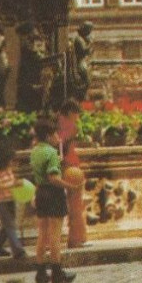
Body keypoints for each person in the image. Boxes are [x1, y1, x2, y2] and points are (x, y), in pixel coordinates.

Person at [29, 117, 74, 283]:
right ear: (48, 136)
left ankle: (40, 273)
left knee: (42, 235)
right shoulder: (51, 153)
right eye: (55, 133)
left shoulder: (35, 151)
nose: (58, 137)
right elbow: (53, 178)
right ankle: (57, 273)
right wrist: (70, 186)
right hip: (53, 194)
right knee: (55, 236)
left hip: (40, 192)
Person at [0, 141, 27, 261]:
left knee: (7, 225)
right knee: (10, 225)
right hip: (1, 202)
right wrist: (13, 184)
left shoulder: (8, 170)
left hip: (10, 199)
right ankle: (17, 250)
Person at [57, 100, 87, 249]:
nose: (78, 117)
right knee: (75, 205)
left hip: (68, 167)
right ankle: (75, 239)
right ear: (70, 113)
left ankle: (77, 237)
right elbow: (63, 144)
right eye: (76, 114)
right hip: (70, 168)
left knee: (75, 205)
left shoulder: (59, 122)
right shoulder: (68, 125)